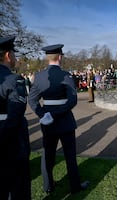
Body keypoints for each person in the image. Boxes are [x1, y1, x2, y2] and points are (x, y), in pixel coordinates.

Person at [28, 44, 89, 194]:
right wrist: (56, 113)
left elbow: (32, 100)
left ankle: (47, 185)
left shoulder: (40, 76)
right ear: (60, 57)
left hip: (48, 121)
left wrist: (43, 114)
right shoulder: (65, 75)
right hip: (65, 120)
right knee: (70, 155)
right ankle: (75, 186)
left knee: (48, 154)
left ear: (47, 58)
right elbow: (72, 100)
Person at [0, 36, 31, 199]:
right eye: (14, 53)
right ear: (7, 55)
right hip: (11, 143)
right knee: (19, 188)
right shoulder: (14, 80)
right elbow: (15, 116)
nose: (15, 58)